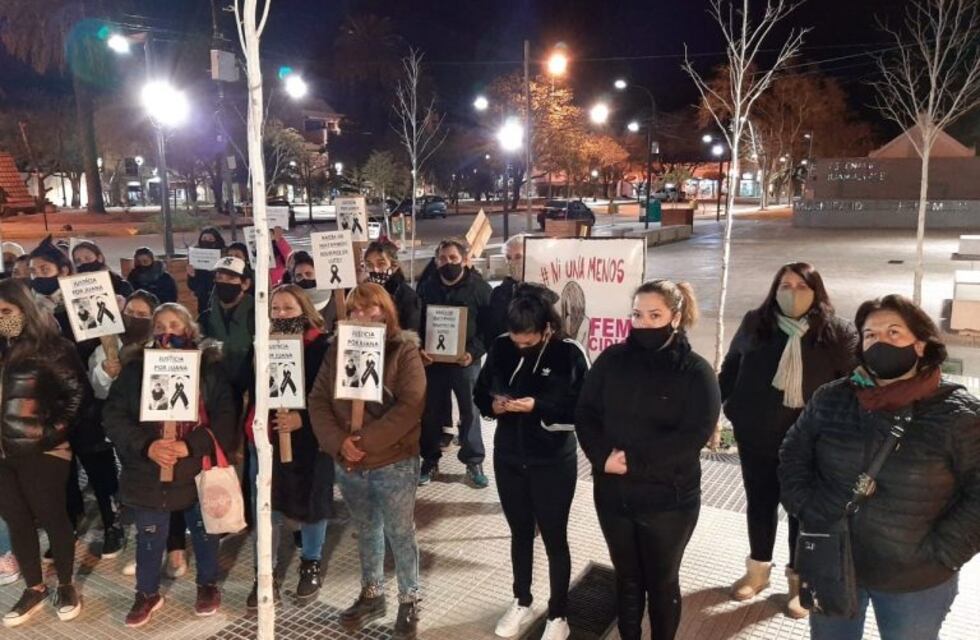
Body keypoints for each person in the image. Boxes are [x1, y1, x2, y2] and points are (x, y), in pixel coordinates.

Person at [779, 294, 980, 640]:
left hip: (915, 578)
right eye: (870, 335)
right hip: (834, 562)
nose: (880, 341)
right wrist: (808, 507)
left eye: (893, 333)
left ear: (920, 345)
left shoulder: (958, 414)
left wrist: (944, 553)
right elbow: (793, 455)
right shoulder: (833, 397)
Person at [575, 280, 719, 640]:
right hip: (613, 493)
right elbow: (586, 413)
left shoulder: (695, 372)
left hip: (668, 499)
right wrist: (601, 456)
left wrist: (635, 463)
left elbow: (694, 435)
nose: (644, 323)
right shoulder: (612, 360)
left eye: (655, 315)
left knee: (661, 581)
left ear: (676, 315)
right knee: (626, 577)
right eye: (637, 314)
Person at [719, 263, 857, 617]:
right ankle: (757, 572)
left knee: (802, 514)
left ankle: (799, 585)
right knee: (760, 505)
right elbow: (731, 368)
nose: (792, 293)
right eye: (785, 285)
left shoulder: (836, 332)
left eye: (801, 286)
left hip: (810, 447)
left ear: (817, 291)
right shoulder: (756, 322)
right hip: (757, 438)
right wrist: (729, 408)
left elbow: (854, 387)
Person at [103, 302, 237, 627]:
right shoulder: (135, 370)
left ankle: (207, 584)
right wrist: (148, 446)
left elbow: (224, 416)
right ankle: (147, 592)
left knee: (205, 531)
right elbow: (113, 416)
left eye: (174, 326)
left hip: (195, 465)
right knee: (149, 535)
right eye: (160, 327)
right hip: (149, 470)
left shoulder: (209, 369)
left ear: (189, 330)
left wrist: (189, 445)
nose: (167, 333)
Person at [309, 282, 426, 640]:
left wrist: (364, 442)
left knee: (400, 532)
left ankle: (410, 599)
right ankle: (372, 593)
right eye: (355, 310)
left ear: (386, 311)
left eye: (370, 308)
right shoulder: (336, 350)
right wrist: (339, 443)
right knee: (367, 530)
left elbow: (410, 406)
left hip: (394, 462)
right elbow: (318, 400)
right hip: (351, 464)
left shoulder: (404, 351)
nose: (361, 315)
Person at [475, 284, 589, 640]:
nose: (520, 346)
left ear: (547, 329)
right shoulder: (499, 346)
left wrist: (537, 407)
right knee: (520, 532)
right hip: (508, 455)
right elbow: (480, 391)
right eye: (515, 339)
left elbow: (583, 412)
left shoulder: (569, 354)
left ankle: (559, 614)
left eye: (529, 342)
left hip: (552, 459)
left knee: (555, 537)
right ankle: (521, 599)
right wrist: (491, 407)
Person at [0, 278, 85, 627]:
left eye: (6, 311)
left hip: (42, 450)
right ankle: (34, 587)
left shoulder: (52, 348)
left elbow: (77, 396)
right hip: (3, 453)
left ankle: (65, 584)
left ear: (24, 310)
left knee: (52, 518)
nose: (1, 318)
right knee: (17, 521)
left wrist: (48, 435)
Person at [243, 284, 333, 609]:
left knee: (312, 502)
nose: (281, 314)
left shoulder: (322, 347)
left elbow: (330, 396)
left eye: (288, 308)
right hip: (266, 437)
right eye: (275, 309)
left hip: (311, 442)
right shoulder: (261, 345)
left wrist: (302, 420)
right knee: (266, 507)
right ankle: (264, 572)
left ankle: (311, 562)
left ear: (304, 311)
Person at [87, 290, 160, 562]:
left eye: (143, 315)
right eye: (130, 313)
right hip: (120, 426)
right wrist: (106, 370)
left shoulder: (158, 345)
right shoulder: (105, 347)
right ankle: (121, 521)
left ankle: (155, 538)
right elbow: (96, 388)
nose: (135, 319)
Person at [417, 238, 492, 487]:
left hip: (466, 362)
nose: (447, 263)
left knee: (470, 410)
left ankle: (474, 461)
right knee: (430, 411)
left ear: (465, 260)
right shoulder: (427, 288)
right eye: (442, 258)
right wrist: (419, 349)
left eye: (453, 258)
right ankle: (429, 459)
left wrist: (473, 352)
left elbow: (489, 328)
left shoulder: (480, 289)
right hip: (434, 363)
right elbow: (418, 323)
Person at [199, 255, 255, 417]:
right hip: (217, 400)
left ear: (245, 284)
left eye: (231, 278)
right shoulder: (205, 318)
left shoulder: (258, 317)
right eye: (219, 277)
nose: (223, 282)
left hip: (249, 398)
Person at [363, 239, 420, 334]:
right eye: (370, 265)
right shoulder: (364, 293)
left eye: (381, 264)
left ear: (394, 266)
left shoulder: (408, 297)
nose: (375, 270)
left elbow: (409, 338)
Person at [486, 234, 526, 343]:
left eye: (518, 257)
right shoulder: (499, 293)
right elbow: (491, 331)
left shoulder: (544, 292)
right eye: (508, 258)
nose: (512, 262)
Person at [289, 250, 337, 332]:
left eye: (308, 274)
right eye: (299, 276)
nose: (304, 278)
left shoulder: (336, 300)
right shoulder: (289, 302)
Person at [186, 227, 226, 312]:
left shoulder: (225, 256)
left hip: (222, 296)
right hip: (203, 298)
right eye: (204, 238)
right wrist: (192, 276)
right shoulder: (195, 258)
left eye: (210, 239)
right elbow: (192, 286)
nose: (207, 241)